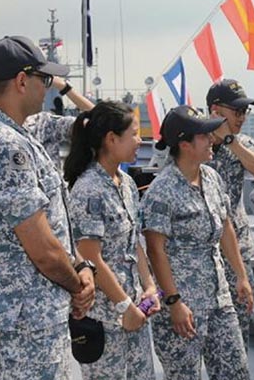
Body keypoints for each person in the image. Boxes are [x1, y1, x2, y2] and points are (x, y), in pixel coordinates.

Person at [0, 35, 96, 379]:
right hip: (24, 320)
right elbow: (43, 249)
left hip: (18, 312)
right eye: (44, 79)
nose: (46, 88)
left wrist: (80, 263)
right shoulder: (3, 145)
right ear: (22, 81)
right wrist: (77, 284)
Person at [141, 105, 254, 380]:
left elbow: (226, 226)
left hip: (219, 299)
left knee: (236, 371)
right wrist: (174, 301)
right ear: (184, 145)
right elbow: (156, 250)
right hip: (183, 304)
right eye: (204, 135)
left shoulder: (211, 178)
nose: (212, 139)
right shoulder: (162, 190)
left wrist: (240, 277)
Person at [64, 101, 160, 379]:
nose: (139, 141)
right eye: (133, 133)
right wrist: (123, 306)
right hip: (106, 319)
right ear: (111, 139)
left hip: (135, 314)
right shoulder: (89, 190)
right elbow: (90, 256)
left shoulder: (127, 184)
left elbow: (134, 243)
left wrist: (149, 287)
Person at [205, 78, 254, 349]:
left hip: (236, 250)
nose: (243, 117)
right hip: (198, 248)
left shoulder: (243, 143)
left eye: (245, 111)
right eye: (237, 111)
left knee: (238, 326)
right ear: (216, 111)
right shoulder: (191, 140)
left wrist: (230, 140)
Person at [23, 73, 94, 173]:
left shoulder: (45, 123)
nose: (45, 90)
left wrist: (65, 88)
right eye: (43, 81)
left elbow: (99, 119)